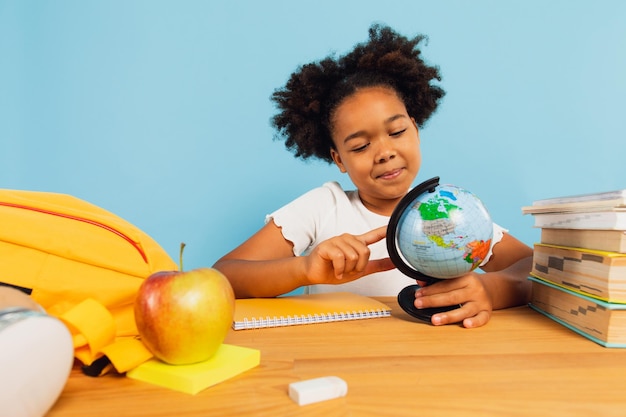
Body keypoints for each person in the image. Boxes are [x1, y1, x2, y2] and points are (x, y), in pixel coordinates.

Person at [213, 24, 533, 328]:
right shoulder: (324, 207)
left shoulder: (454, 212)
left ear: (416, 130)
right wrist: (304, 270)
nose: (384, 152)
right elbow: (222, 277)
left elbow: (539, 270)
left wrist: (491, 290)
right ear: (338, 159)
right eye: (361, 146)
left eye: (396, 131)